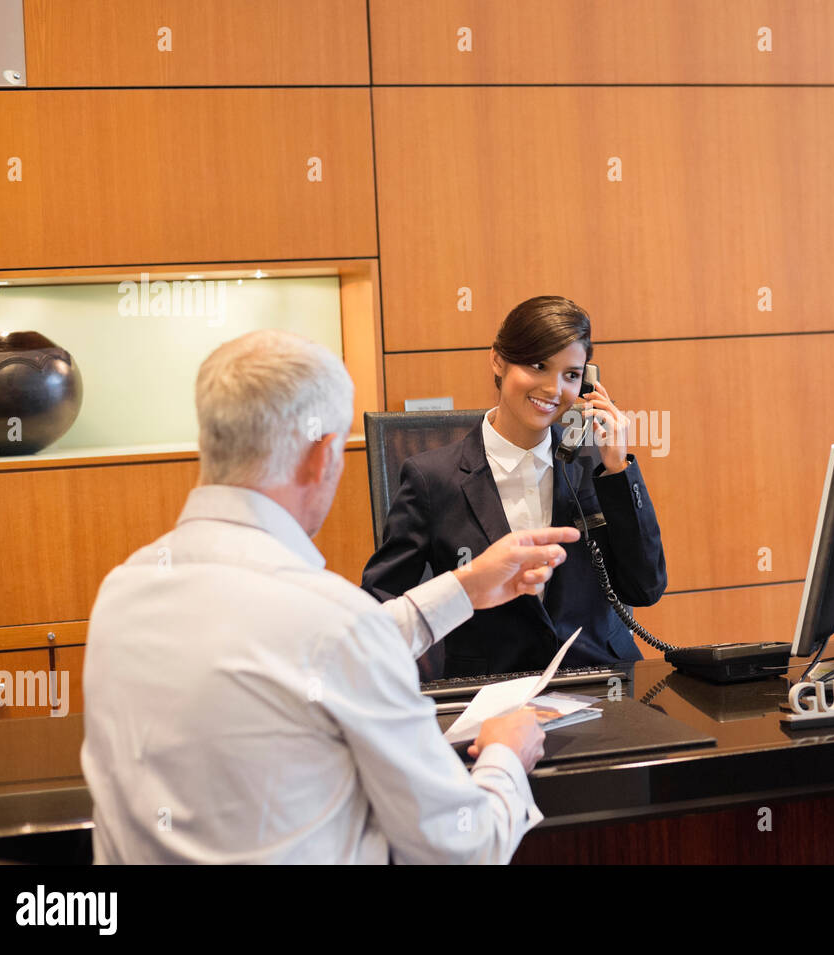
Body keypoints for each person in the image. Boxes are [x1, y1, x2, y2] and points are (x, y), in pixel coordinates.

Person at [80, 329, 580, 864]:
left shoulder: (122, 590)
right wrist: (506, 752)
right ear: (321, 457)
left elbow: (300, 649)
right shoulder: (331, 624)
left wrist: (464, 587)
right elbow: (465, 847)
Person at [362, 295, 667, 678]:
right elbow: (379, 605)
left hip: (602, 684)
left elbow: (646, 588)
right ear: (498, 360)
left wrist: (619, 469)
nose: (553, 389)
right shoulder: (431, 479)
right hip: (489, 695)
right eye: (538, 365)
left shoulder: (596, 464)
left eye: (571, 375)